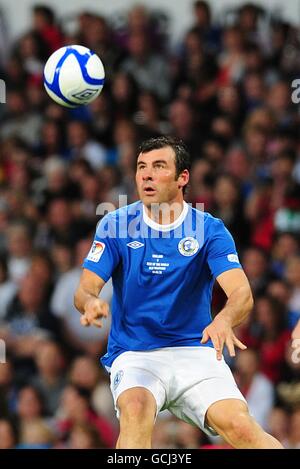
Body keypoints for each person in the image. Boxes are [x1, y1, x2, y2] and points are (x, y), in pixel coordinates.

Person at [74, 136, 282, 449]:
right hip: (135, 353)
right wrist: (90, 303)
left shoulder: (208, 229)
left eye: (158, 166)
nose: (146, 174)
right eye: (141, 167)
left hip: (195, 351)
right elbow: (85, 289)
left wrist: (225, 319)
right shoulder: (116, 224)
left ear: (182, 178)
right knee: (135, 409)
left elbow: (242, 294)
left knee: (240, 426)